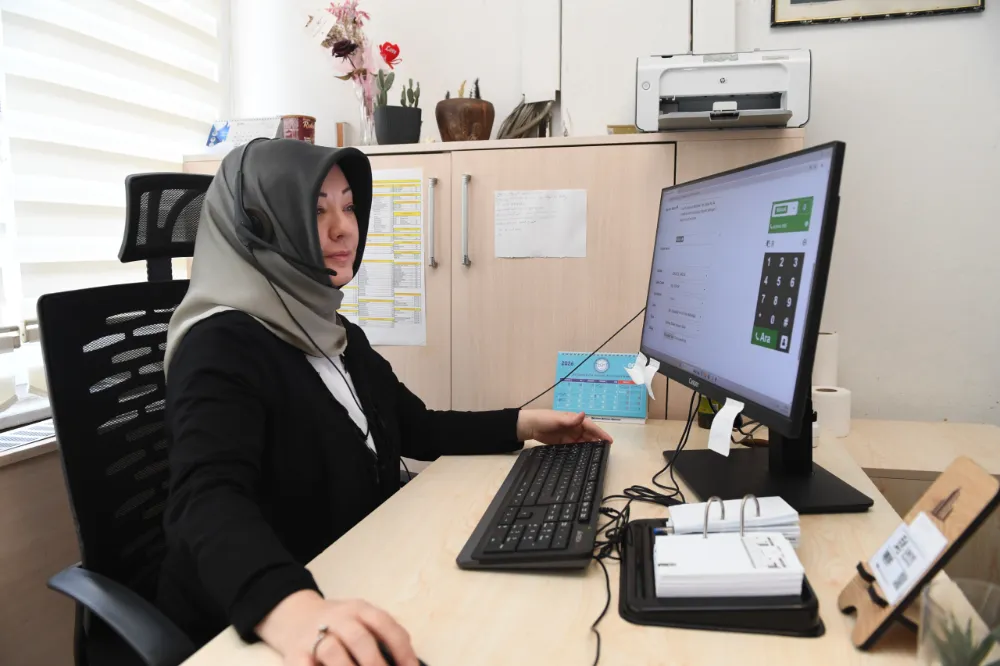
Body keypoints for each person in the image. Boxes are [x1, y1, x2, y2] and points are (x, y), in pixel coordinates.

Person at [156, 138, 611, 666]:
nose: (343, 228)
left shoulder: (333, 332)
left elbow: (415, 426)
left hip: (356, 570)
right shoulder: (220, 345)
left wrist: (524, 425)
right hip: (255, 623)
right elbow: (205, 499)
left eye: (349, 207)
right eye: (316, 210)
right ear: (260, 227)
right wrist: (292, 610)